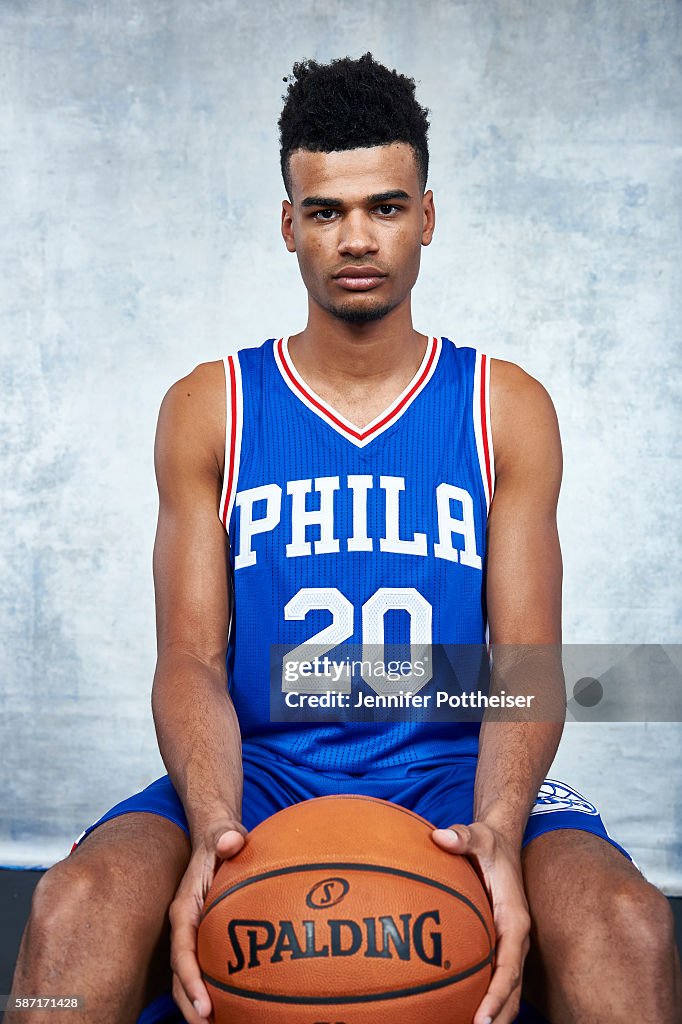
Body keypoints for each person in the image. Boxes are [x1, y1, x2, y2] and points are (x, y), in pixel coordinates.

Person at [8, 53, 680, 1024]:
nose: (356, 237)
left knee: (625, 922)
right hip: (264, 770)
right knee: (73, 908)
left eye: (385, 207)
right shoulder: (213, 407)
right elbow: (190, 659)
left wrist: (495, 824)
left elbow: (526, 660)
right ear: (288, 223)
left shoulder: (502, 407)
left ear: (427, 217)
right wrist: (212, 822)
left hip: (452, 768)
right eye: (325, 211)